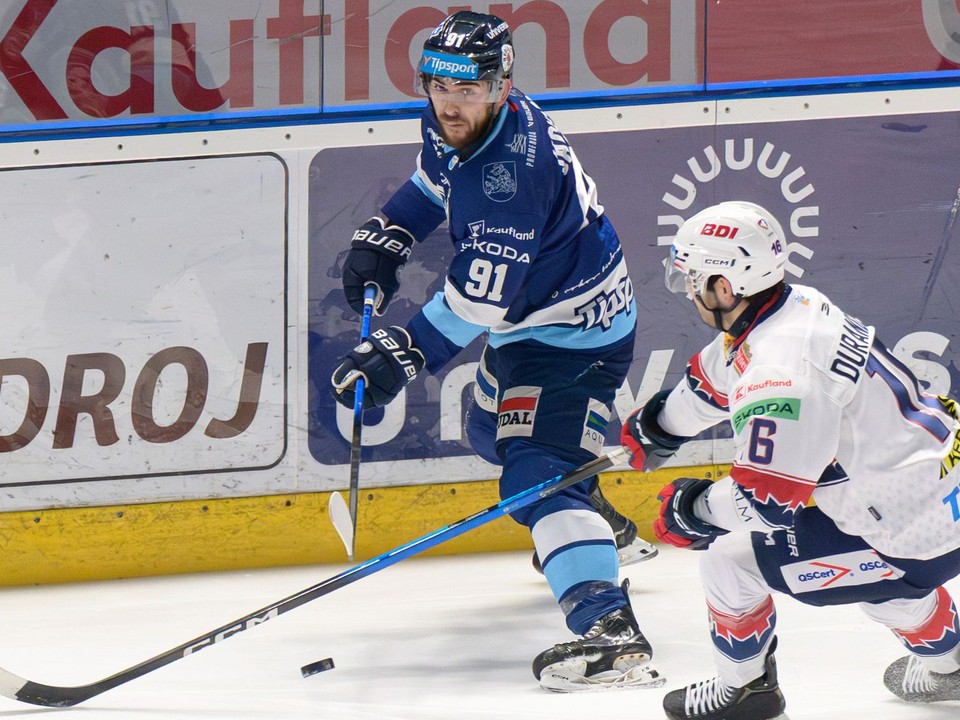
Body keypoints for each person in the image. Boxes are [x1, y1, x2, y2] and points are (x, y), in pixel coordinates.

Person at [330, 10, 661, 692]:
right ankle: (590, 516)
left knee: (532, 474)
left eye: (469, 89)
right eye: (439, 86)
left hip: (574, 338)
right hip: (537, 321)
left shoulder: (508, 179)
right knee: (490, 430)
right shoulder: (461, 121)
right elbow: (433, 181)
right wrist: (390, 231)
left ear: (501, 86)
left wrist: (405, 351)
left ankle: (608, 626)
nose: (451, 104)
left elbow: (479, 303)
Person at [620, 200, 960, 718]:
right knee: (879, 584)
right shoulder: (794, 304)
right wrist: (661, 423)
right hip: (937, 482)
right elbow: (725, 366)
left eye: (692, 278)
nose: (687, 289)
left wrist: (692, 508)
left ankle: (746, 690)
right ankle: (953, 663)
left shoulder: (781, 372)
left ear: (725, 288)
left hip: (916, 531)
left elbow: (764, 504)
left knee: (729, 562)